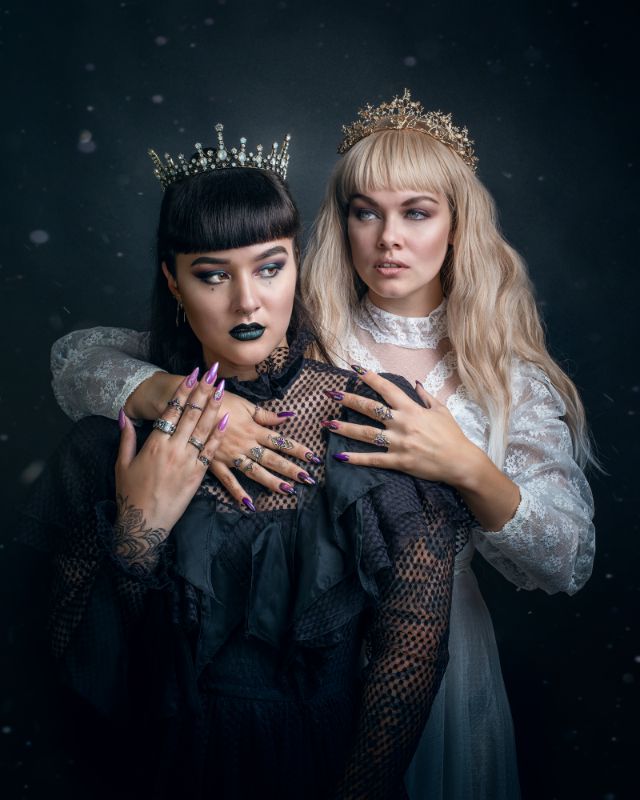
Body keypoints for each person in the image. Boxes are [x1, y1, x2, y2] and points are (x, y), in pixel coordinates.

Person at [47, 92, 596, 799]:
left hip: (431, 646)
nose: (388, 238)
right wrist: (183, 399)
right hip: (293, 651)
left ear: (458, 224)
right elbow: (83, 360)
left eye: (417, 212)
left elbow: (567, 559)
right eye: (365, 212)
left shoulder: (503, 377)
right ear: (340, 222)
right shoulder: (306, 329)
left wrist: (465, 465)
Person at [22, 123, 466, 800]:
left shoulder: (370, 417)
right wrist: (139, 533)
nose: (247, 301)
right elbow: (68, 668)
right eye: (212, 275)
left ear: (297, 264)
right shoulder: (106, 444)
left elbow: (409, 653)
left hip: (321, 769)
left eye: (269, 266)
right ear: (173, 282)